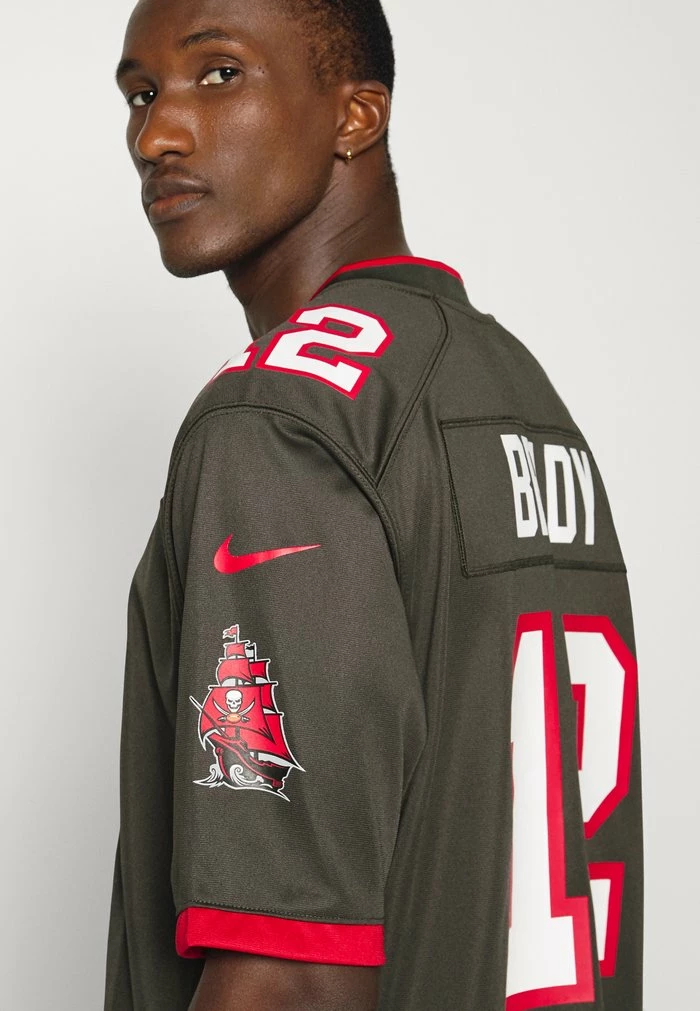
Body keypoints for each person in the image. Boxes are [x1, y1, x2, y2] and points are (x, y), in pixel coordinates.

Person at [105, 0, 643, 1008]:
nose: (157, 135)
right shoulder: (508, 383)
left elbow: (288, 972)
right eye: (140, 94)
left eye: (218, 75)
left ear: (356, 115)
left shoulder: (278, 416)